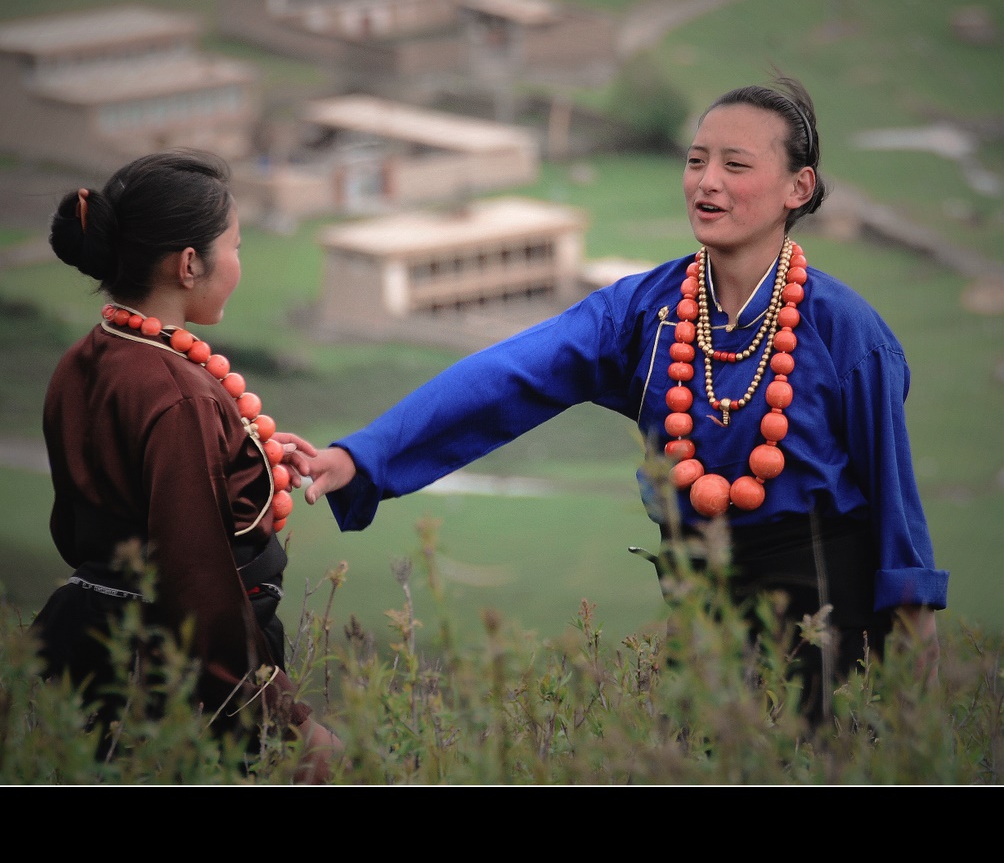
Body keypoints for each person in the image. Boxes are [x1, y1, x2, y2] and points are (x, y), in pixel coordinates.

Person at [303, 76, 948, 722]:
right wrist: (365, 457)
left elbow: (895, 500)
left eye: (735, 164)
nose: (706, 181)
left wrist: (919, 657)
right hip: (700, 617)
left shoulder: (847, 332)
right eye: (696, 160)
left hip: (828, 627)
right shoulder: (644, 313)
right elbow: (507, 375)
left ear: (797, 188)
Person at [32, 149, 339, 780]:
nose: (240, 263)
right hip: (170, 676)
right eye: (237, 245)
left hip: (80, 645)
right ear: (190, 263)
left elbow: (102, 515)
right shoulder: (180, 394)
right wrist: (288, 718)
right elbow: (197, 586)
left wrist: (248, 458)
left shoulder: (84, 359)